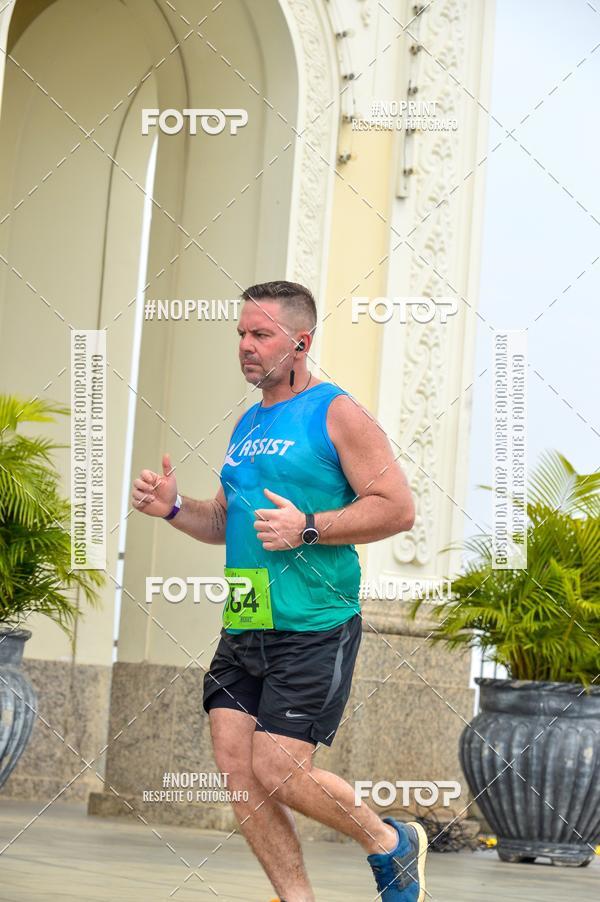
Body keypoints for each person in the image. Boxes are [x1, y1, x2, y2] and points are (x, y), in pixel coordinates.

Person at [132, 281, 427, 901]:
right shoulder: (248, 422)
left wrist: (310, 528)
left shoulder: (336, 412)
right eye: (240, 333)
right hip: (245, 620)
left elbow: (398, 508)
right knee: (240, 772)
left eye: (260, 334)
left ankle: (391, 843)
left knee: (280, 770)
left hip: (314, 622)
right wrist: (173, 507)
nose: (245, 345)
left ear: (300, 341)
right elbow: (225, 522)